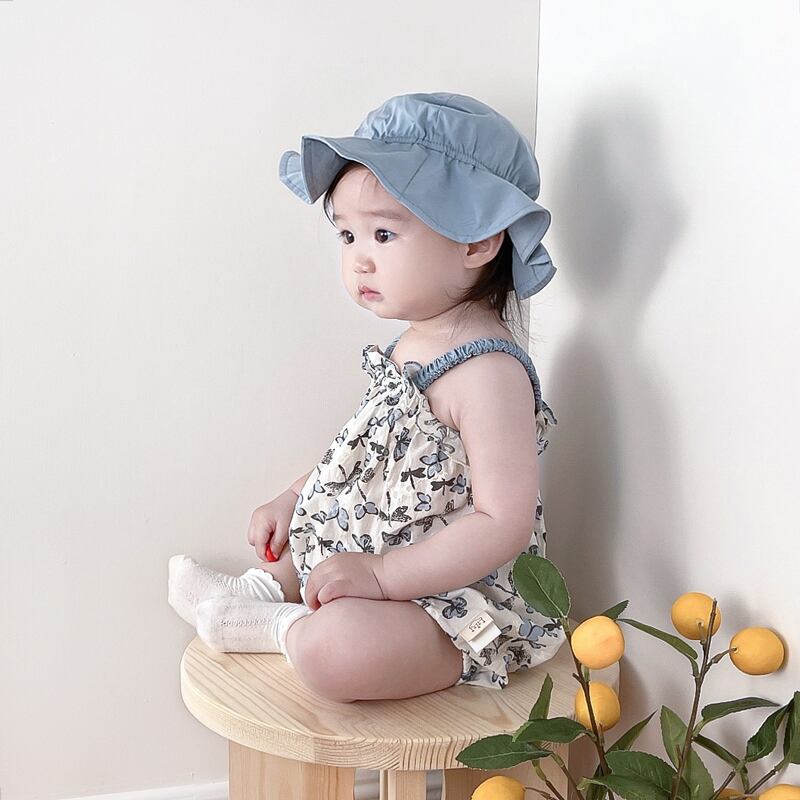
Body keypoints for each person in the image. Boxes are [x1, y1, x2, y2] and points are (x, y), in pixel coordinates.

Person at [168, 92, 567, 701]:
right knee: (308, 536)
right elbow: (365, 454)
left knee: (342, 649)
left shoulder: (489, 373)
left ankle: (278, 627)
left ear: (477, 241)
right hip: (382, 561)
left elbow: (502, 523)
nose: (359, 260)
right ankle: (261, 591)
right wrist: (295, 496)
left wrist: (381, 576)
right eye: (347, 235)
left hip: (453, 597)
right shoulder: (415, 342)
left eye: (383, 234)